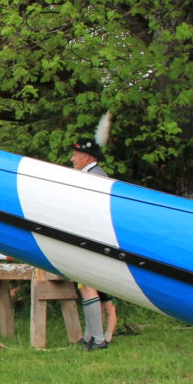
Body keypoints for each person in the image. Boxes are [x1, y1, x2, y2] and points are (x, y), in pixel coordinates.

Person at [70, 137, 113, 349]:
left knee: (88, 285)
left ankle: (97, 338)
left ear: (87, 156)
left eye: (76, 154)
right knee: (84, 285)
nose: (72, 158)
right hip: (88, 238)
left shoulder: (95, 178)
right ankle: (89, 336)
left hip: (92, 238)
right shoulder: (91, 175)